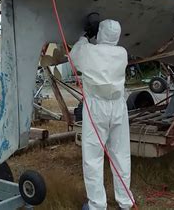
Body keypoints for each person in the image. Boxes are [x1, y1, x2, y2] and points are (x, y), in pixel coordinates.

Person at [70, 19, 133, 210]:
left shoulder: (90, 51)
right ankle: (125, 202)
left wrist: (84, 37)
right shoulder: (122, 53)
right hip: (118, 107)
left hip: (96, 108)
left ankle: (97, 205)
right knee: (121, 155)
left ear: (101, 33)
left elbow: (74, 55)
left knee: (93, 157)